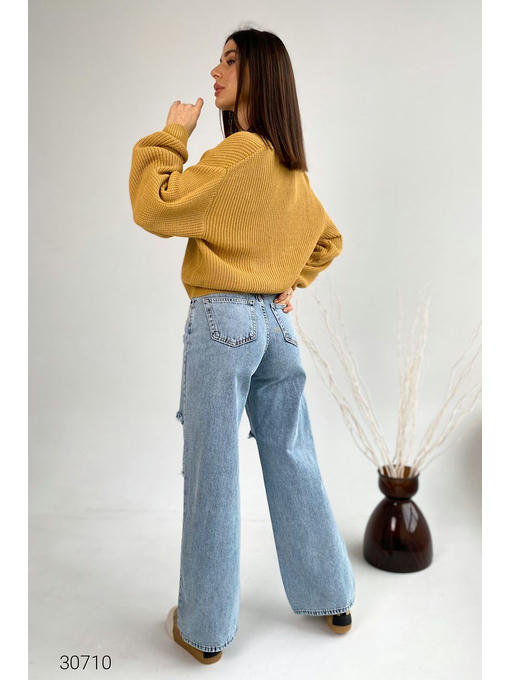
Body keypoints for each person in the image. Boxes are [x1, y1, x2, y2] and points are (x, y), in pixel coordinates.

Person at [128, 28, 355, 665]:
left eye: (230, 60)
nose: (215, 71)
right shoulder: (289, 167)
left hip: (223, 324)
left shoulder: (240, 153)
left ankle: (204, 630)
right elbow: (329, 240)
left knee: (214, 472)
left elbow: (154, 204)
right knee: (293, 454)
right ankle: (333, 595)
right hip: (277, 331)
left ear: (260, 74)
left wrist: (172, 135)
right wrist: (289, 280)